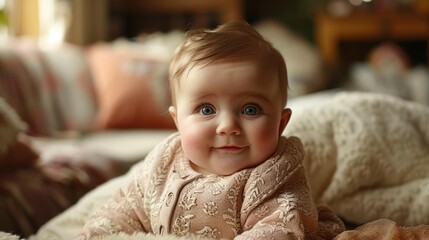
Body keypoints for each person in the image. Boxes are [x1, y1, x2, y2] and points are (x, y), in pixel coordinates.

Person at [77, 21, 344, 239]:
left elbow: (278, 230)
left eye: (250, 110)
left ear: (280, 123)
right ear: (178, 121)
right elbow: (120, 212)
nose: (228, 126)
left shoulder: (274, 172)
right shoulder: (163, 163)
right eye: (206, 110)